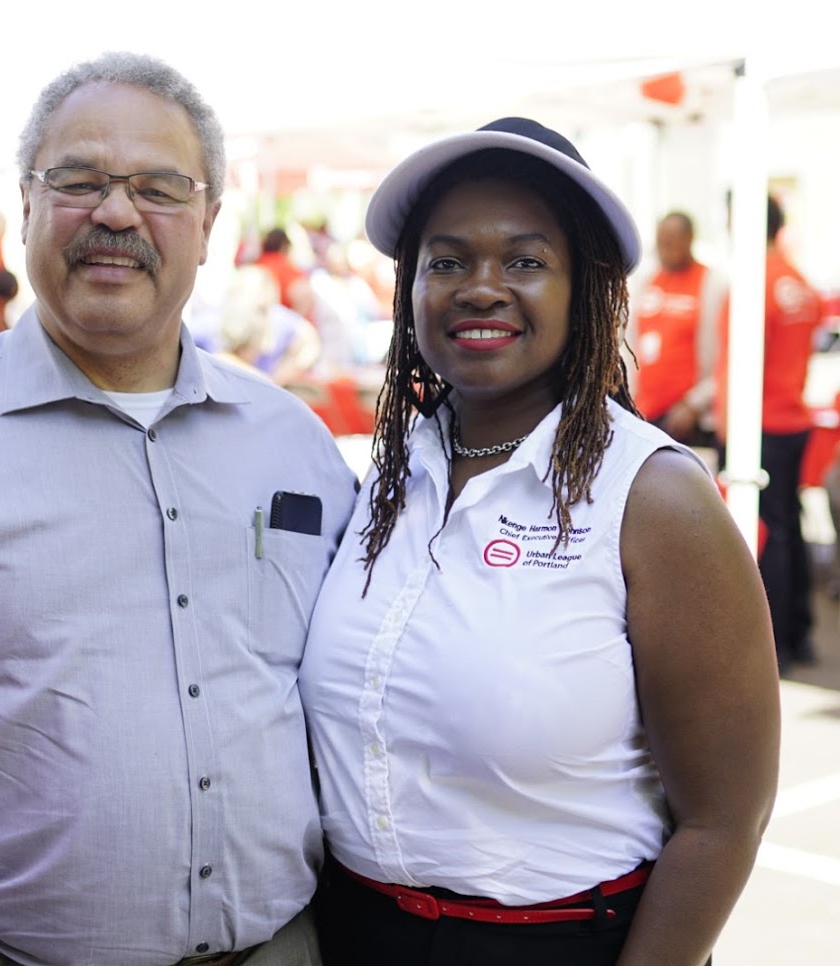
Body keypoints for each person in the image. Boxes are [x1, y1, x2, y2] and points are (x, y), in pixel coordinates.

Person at [0, 51, 357, 966]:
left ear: (209, 222)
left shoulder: (291, 443)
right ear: (25, 206)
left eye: (159, 187)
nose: (115, 212)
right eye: (80, 180)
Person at [300, 118, 780, 965]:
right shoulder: (387, 476)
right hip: (352, 934)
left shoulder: (656, 500)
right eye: (446, 262)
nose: (481, 288)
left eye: (525, 261)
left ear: (586, 288)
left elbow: (722, 821)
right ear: (411, 290)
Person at [715, 194, 825, 670]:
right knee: (788, 526)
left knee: (762, 534)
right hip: (790, 420)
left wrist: (725, 426)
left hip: (756, 425)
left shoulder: (755, 284)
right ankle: (797, 632)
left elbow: (742, 363)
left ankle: (771, 642)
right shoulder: (797, 281)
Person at [629, 211, 726, 446]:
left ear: (689, 239)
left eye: (671, 243)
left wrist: (695, 403)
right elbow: (630, 344)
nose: (664, 250)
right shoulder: (646, 282)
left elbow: (723, 357)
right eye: (660, 243)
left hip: (691, 417)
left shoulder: (713, 284)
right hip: (645, 413)